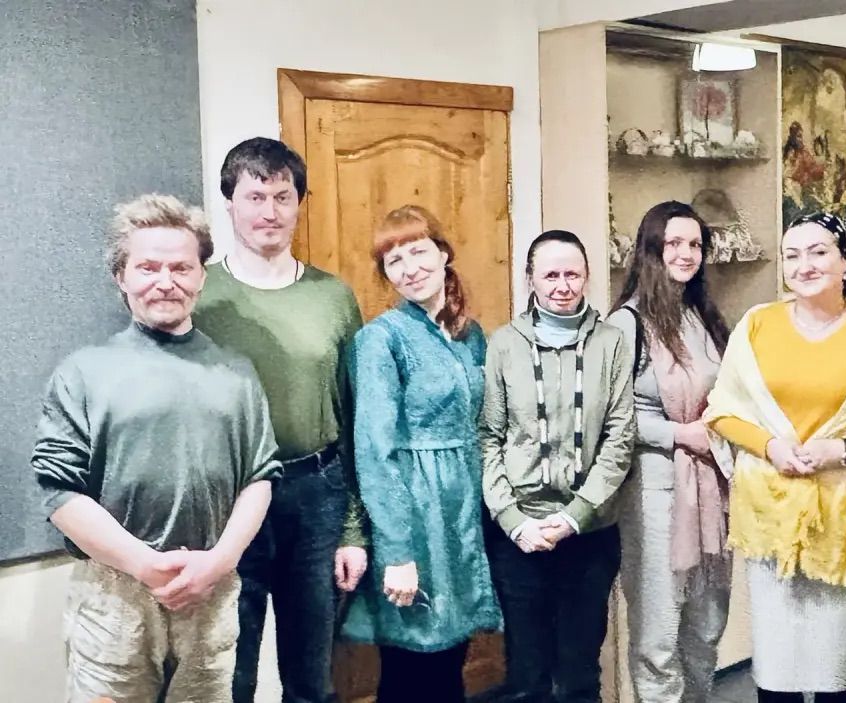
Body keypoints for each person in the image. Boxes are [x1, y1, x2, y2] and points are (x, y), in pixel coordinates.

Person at [32, 194, 280, 702]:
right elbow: (59, 493)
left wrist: (220, 561)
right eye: (148, 267)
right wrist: (144, 565)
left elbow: (259, 478)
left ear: (201, 276)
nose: (166, 281)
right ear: (121, 277)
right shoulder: (82, 372)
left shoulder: (237, 373)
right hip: (114, 598)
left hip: (212, 591)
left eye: (181, 267)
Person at [703, 212, 846, 703]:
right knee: (776, 670)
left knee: (838, 669)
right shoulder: (757, 325)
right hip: (771, 520)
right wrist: (771, 447)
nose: (804, 265)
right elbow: (722, 412)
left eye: (819, 252)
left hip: (844, 522)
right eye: (792, 255)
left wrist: (842, 450)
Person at [193, 137, 368, 703]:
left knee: (312, 674)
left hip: (316, 495)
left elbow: (355, 416)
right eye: (255, 196)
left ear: (299, 203)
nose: (269, 211)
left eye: (282, 196)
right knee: (229, 672)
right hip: (227, 499)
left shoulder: (333, 297)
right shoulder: (199, 294)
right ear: (230, 203)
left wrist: (352, 529)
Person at [341, 206, 502, 702]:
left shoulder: (470, 337)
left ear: (443, 253)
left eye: (418, 252)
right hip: (414, 517)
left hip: (463, 517)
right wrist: (397, 553)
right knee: (412, 666)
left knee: (452, 661)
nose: (409, 268)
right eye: (394, 261)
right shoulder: (380, 340)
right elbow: (374, 451)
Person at [479, 230, 636, 703]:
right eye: (551, 275)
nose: (562, 286)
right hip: (519, 534)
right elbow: (489, 437)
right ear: (530, 278)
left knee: (578, 675)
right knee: (526, 676)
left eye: (573, 274)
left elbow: (620, 437)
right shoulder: (504, 344)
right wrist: (513, 519)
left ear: (587, 278)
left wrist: (574, 516)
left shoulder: (611, 342)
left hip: (588, 532)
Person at [607, 201, 732, 703]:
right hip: (654, 494)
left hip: (712, 489)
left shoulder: (702, 316)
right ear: (651, 250)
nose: (686, 254)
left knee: (706, 627)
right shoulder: (626, 324)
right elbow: (613, 416)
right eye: (674, 243)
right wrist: (679, 434)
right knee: (658, 635)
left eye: (695, 244)